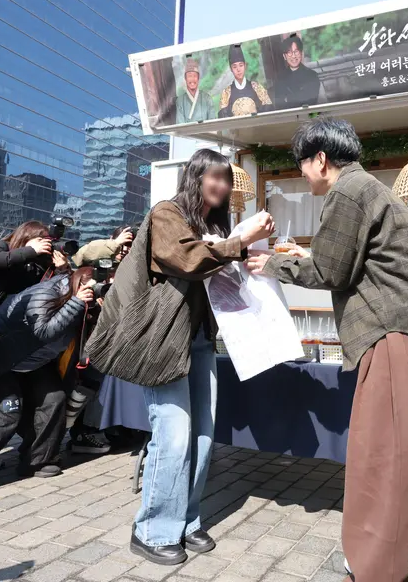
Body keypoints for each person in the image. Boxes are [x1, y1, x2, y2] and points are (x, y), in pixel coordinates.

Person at [246, 118, 408, 582]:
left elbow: (330, 272)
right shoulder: (368, 189)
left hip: (394, 338)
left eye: (302, 164)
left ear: (320, 159)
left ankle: (374, 571)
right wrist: (303, 259)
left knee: (381, 460)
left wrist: (273, 264)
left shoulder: (347, 192)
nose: (302, 174)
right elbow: (344, 264)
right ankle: (398, 566)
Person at [86, 148, 275, 566]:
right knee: (173, 434)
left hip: (201, 341)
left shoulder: (212, 224)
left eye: (227, 179)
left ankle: (184, 521)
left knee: (202, 436)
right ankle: (152, 529)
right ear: (195, 177)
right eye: (215, 177)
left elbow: (214, 268)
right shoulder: (166, 213)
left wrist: (246, 252)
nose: (222, 186)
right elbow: (185, 258)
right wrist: (239, 241)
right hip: (165, 340)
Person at [0, 269, 93, 482]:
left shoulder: (83, 298)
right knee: (6, 414)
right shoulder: (46, 293)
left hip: (31, 362)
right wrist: (77, 303)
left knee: (54, 399)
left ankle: (39, 460)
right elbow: (43, 331)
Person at [218, 45, 272, 118]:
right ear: (231, 69)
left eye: (241, 65)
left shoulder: (257, 88)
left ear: (245, 66)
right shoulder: (226, 93)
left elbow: (268, 111)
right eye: (234, 67)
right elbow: (224, 118)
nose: (238, 69)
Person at [275, 35, 320, 108]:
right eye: (289, 52)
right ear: (284, 56)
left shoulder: (312, 76)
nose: (293, 56)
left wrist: (288, 99)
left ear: (301, 53)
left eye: (296, 51)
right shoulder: (279, 78)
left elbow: (311, 102)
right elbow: (279, 105)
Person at [177, 58, 214, 124]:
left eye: (195, 76)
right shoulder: (180, 101)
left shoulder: (207, 99)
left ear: (198, 78)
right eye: (189, 76)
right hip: (187, 134)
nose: (192, 79)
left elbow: (213, 123)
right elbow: (180, 126)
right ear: (185, 78)